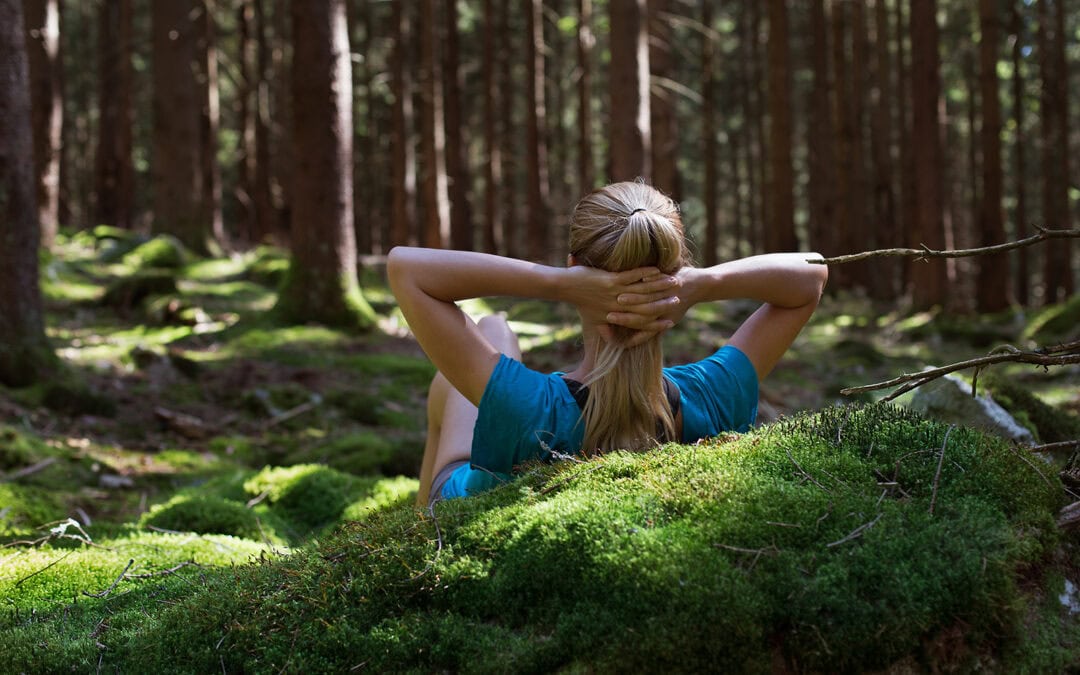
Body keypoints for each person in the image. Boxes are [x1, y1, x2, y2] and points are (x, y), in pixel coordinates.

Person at [387, 181, 828, 507]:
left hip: (463, 500)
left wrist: (560, 284)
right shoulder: (713, 395)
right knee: (495, 330)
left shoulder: (529, 408)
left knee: (494, 330)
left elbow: (407, 268)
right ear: (678, 268)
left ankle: (422, 522)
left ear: (576, 267)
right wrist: (697, 285)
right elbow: (812, 274)